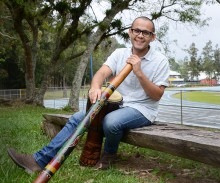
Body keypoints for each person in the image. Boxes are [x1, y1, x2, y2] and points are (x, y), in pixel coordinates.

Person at [7, 16, 170, 173]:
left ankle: (109, 156)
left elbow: (157, 95)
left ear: (152, 37)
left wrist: (139, 73)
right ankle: (38, 161)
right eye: (136, 31)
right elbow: (100, 74)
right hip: (120, 105)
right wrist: (95, 87)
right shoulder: (120, 54)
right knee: (78, 117)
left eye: (146, 32)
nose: (140, 35)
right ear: (130, 32)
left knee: (111, 122)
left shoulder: (160, 60)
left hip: (143, 109)